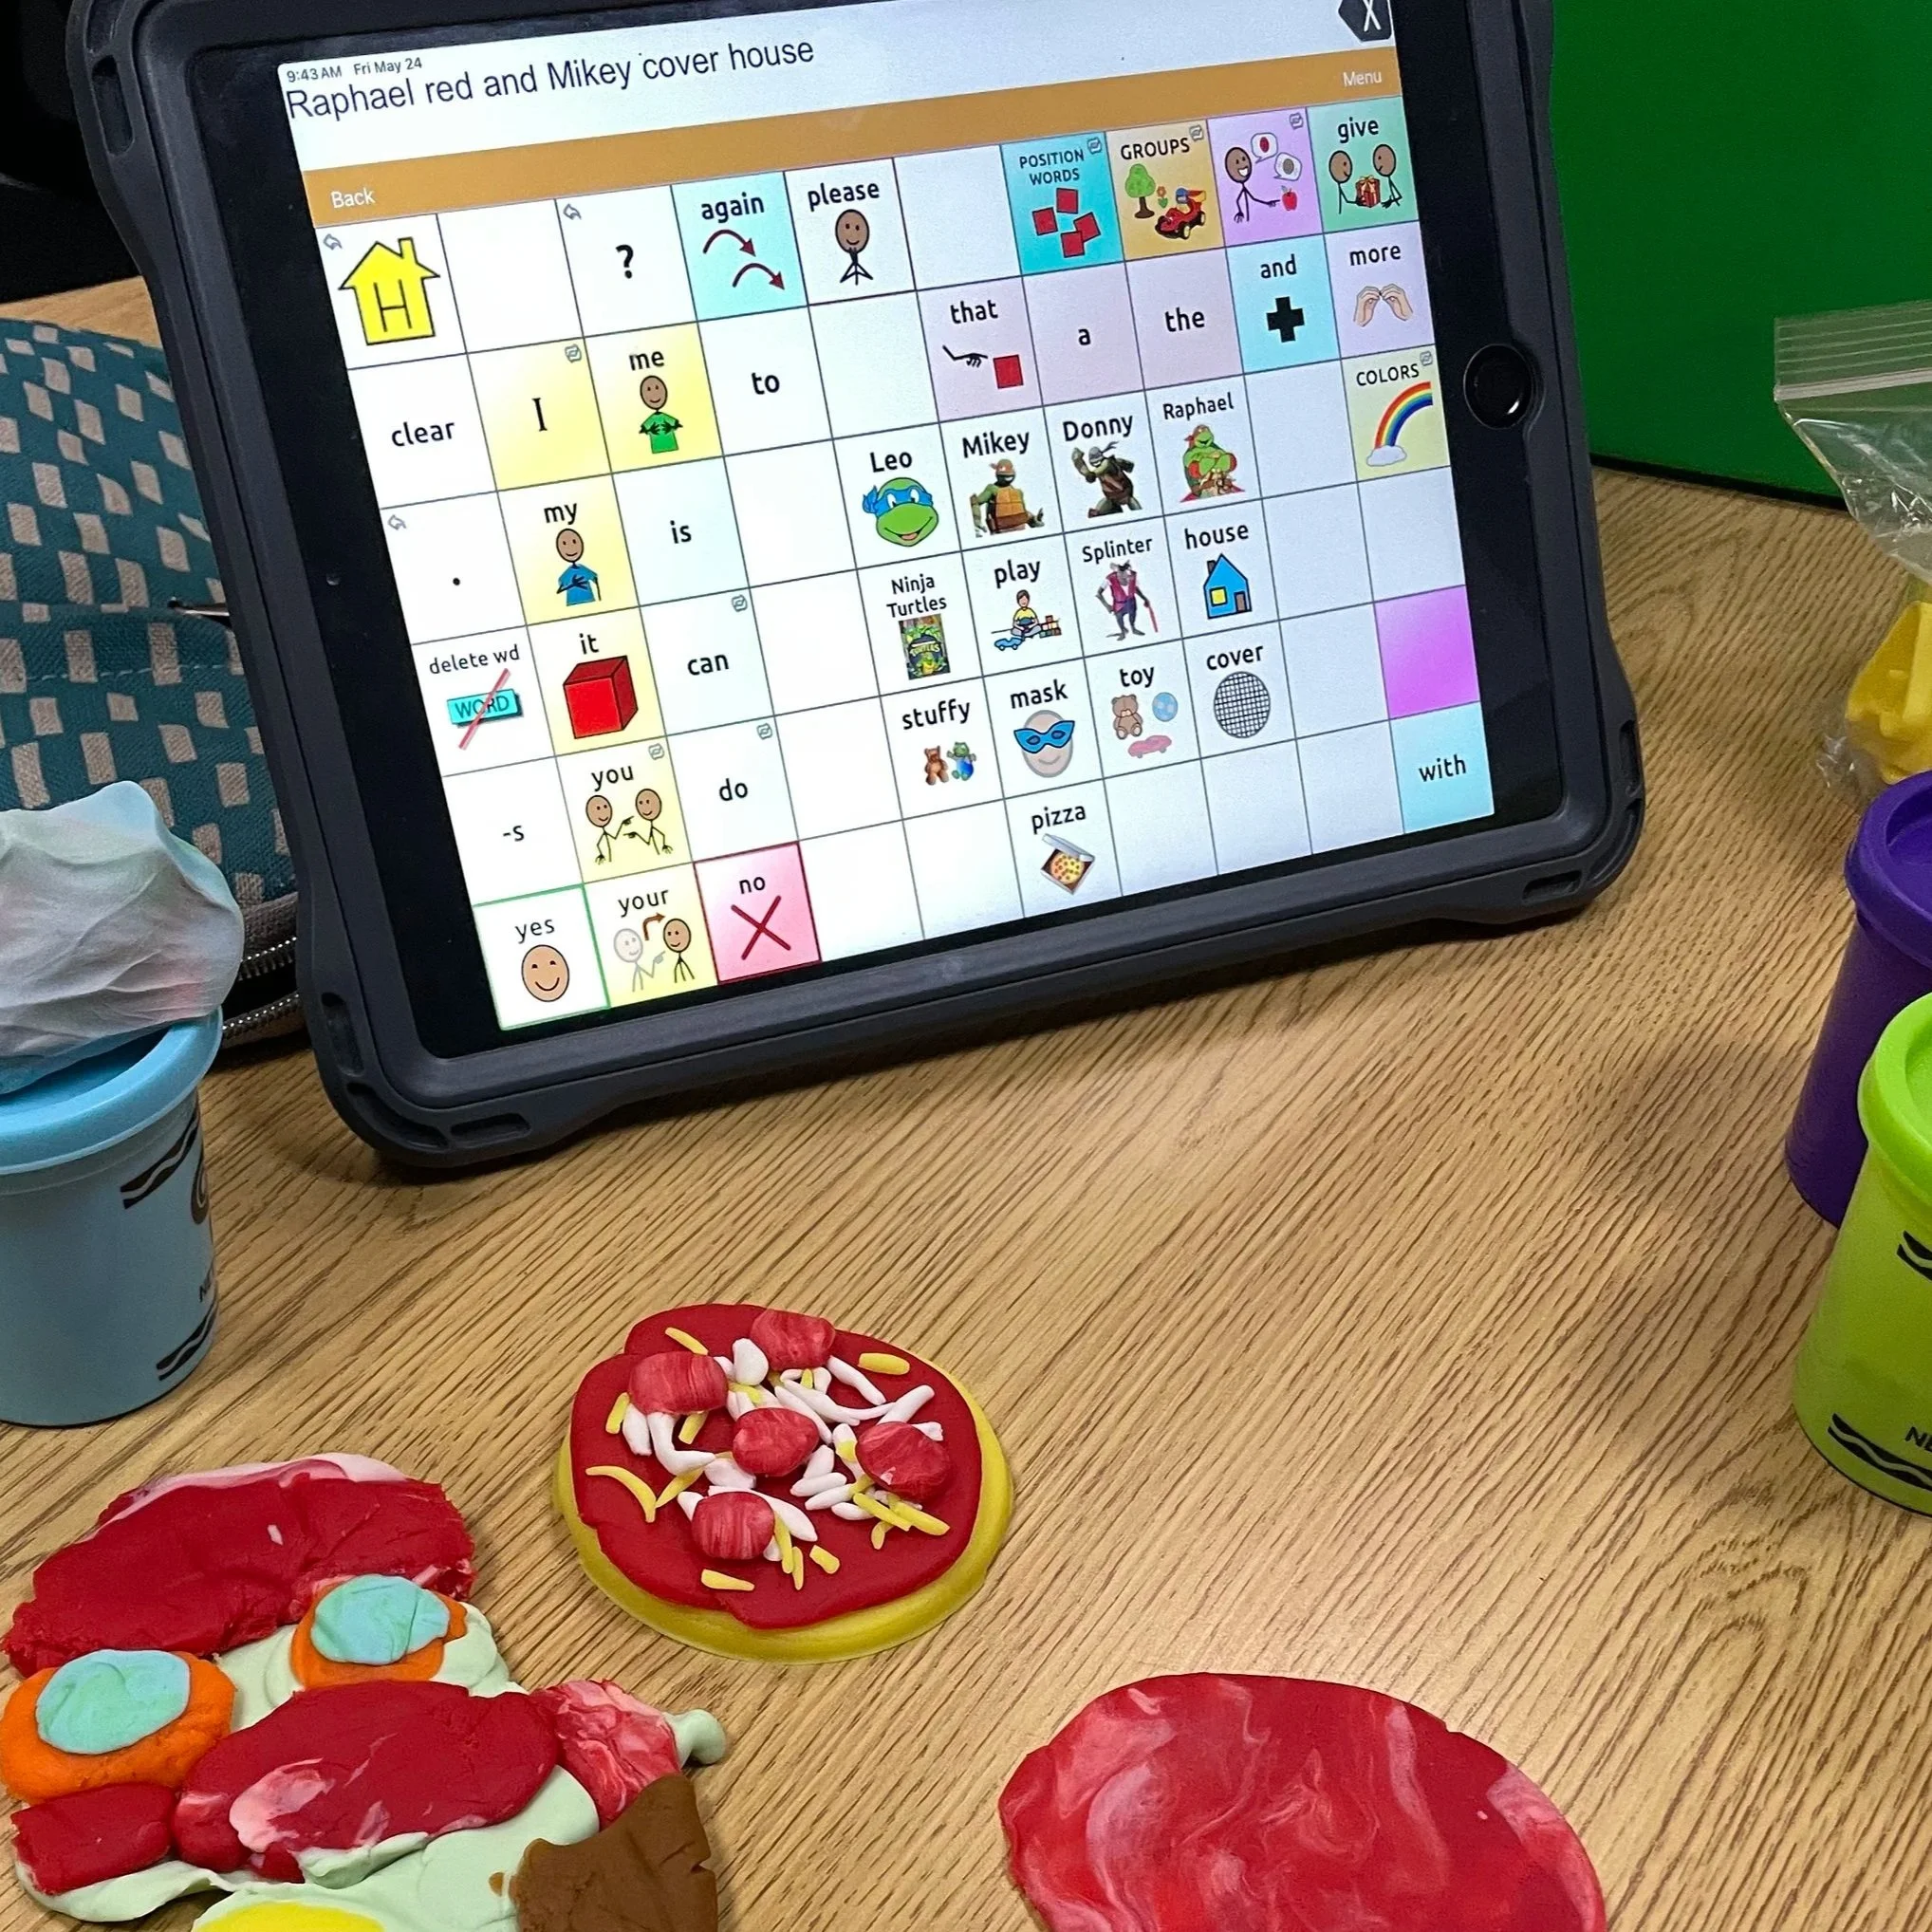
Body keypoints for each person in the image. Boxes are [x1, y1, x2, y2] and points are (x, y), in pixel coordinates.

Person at [1097, 562, 1157, 639]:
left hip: (1131, 602)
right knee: (1119, 618)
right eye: (1120, 570)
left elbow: (1135, 588)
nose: (1123, 574)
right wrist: (1106, 605)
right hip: (1119, 604)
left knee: (1132, 615)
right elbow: (1099, 593)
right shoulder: (1110, 578)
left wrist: (1144, 598)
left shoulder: (1132, 576)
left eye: (1125, 569)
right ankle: (1123, 631)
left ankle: (1133, 629)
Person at [639, 375, 681, 455]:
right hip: (657, 448)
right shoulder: (651, 419)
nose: (654, 394)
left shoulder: (665, 417)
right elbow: (643, 429)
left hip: (671, 445)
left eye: (657, 388)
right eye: (648, 390)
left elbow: (677, 424)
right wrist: (650, 430)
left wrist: (671, 427)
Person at [555, 527, 599, 605]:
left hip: (589, 600)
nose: (570, 548)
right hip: (573, 602)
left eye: (574, 542)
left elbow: (595, 578)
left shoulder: (583, 569)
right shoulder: (567, 573)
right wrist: (573, 584)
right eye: (564, 543)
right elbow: (559, 590)